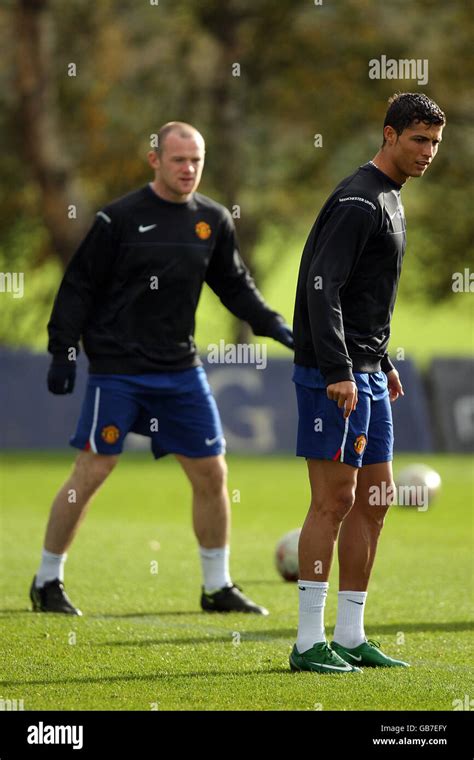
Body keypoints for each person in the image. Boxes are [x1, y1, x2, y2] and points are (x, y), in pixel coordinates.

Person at [30, 121, 293, 617]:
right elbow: (78, 287)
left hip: (180, 369)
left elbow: (234, 286)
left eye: (196, 160)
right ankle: (47, 581)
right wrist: (63, 350)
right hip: (118, 370)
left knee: (212, 472)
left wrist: (276, 326)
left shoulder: (212, 220)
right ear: (155, 161)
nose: (189, 169)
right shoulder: (119, 219)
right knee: (93, 470)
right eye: (178, 160)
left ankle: (216, 586)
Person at [290, 93, 445, 673]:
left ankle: (351, 635)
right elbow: (321, 287)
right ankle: (308, 644)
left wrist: (379, 360)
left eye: (433, 142)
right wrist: (339, 369)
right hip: (334, 374)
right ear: (389, 135)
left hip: (367, 370)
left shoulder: (392, 198)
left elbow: (364, 294)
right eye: (417, 140)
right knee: (333, 500)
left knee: (374, 502)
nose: (427, 153)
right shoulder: (359, 200)